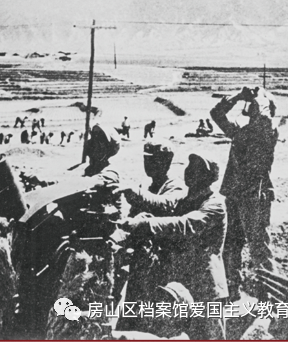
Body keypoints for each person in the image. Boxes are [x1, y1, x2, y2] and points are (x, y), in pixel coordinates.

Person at [117, 154, 228, 340]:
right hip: (181, 283)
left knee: (209, 336)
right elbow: (162, 203)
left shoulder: (214, 204)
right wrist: (135, 193)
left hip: (205, 286)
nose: (189, 172)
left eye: (196, 169)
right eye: (189, 167)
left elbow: (186, 224)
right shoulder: (185, 199)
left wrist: (147, 225)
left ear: (207, 177)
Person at [210, 86, 278, 301]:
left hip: (254, 197)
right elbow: (216, 114)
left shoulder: (267, 131)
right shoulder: (242, 132)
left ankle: (269, 297)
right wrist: (238, 96)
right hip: (235, 195)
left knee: (259, 249)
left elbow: (265, 118)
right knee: (231, 245)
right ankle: (233, 290)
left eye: (256, 105)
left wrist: (260, 96)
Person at [123, 142, 185, 218]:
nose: (148, 164)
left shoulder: (176, 185)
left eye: (153, 160)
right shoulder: (145, 184)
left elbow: (166, 204)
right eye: (146, 159)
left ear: (167, 161)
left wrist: (139, 194)